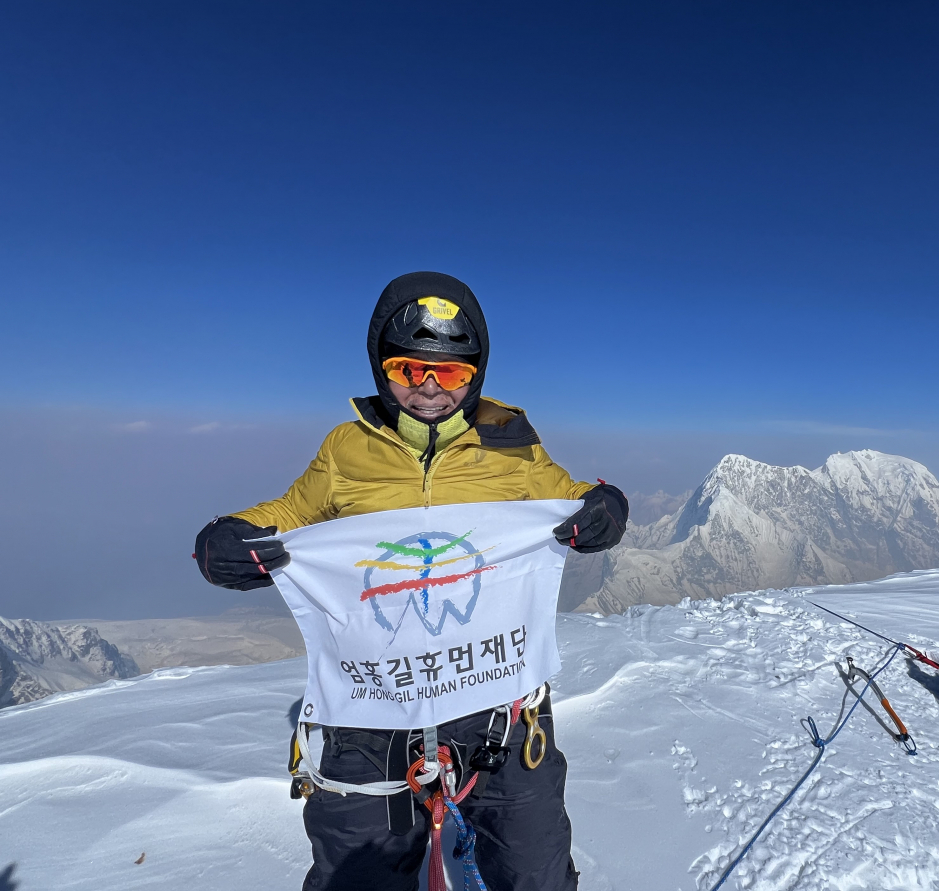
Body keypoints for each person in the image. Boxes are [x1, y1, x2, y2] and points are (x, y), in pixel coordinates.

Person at [192, 272, 628, 891]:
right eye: (407, 369)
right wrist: (231, 536)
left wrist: (605, 506)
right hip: (371, 704)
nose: (428, 388)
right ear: (381, 368)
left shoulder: (513, 445)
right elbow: (292, 513)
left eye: (449, 372)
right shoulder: (346, 448)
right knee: (358, 873)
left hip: (495, 697)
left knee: (532, 868)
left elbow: (571, 497)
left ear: (475, 373)